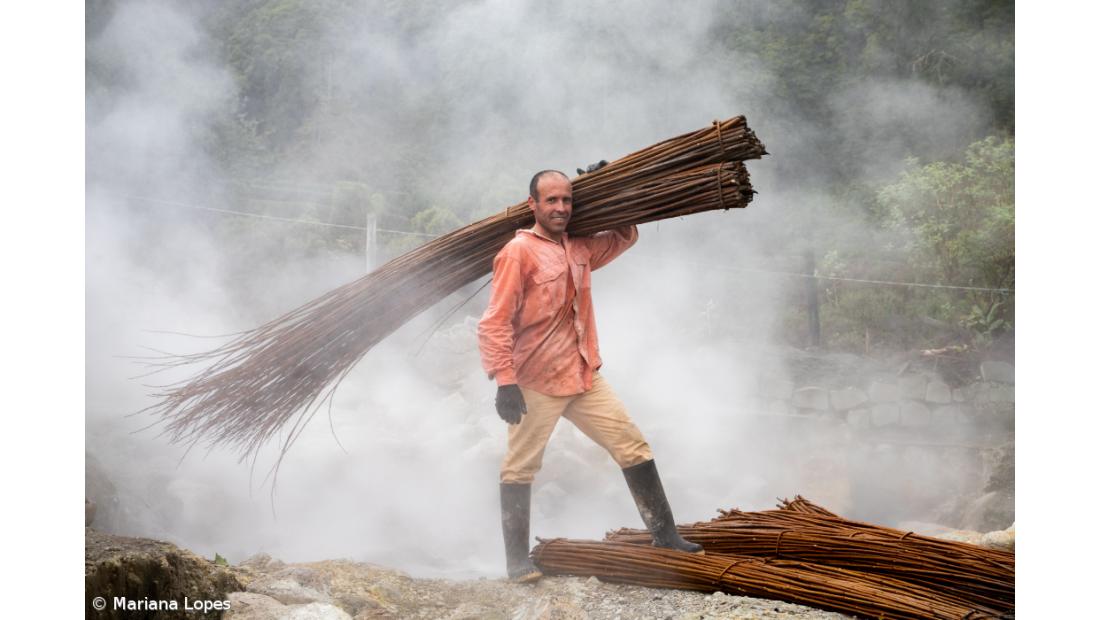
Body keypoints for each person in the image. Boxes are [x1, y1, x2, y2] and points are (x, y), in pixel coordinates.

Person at [478, 168, 703, 583]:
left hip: (583, 377)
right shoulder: (518, 252)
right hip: (535, 381)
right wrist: (505, 380)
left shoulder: (578, 247)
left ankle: (666, 535)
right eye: (552, 201)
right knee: (520, 468)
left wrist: (614, 187)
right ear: (534, 205)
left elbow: (624, 237)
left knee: (632, 445)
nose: (561, 208)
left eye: (566, 200)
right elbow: (494, 322)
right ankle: (516, 562)